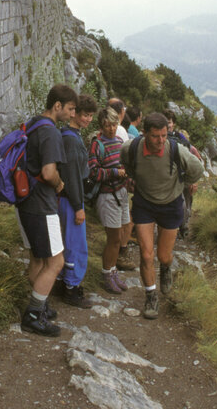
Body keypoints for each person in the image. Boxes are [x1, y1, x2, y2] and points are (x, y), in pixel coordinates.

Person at [122, 112, 205, 320]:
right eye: (155, 136)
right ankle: (151, 296)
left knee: (163, 256)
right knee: (146, 253)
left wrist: (184, 183)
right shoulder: (131, 148)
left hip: (171, 205)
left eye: (164, 136)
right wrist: (131, 178)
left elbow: (198, 168)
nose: (160, 141)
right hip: (144, 204)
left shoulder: (177, 150)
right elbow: (126, 163)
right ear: (144, 134)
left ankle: (166, 269)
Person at [16, 84, 77, 336]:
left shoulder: (33, 123)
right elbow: (48, 172)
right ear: (57, 106)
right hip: (42, 205)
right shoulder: (51, 132)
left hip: (25, 203)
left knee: (37, 259)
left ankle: (40, 303)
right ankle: (33, 314)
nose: (73, 115)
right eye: (71, 109)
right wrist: (59, 183)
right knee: (56, 262)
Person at [57, 93, 98, 308]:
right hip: (71, 200)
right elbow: (72, 177)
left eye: (91, 116)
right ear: (74, 113)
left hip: (65, 199)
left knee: (66, 242)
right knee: (75, 244)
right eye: (85, 114)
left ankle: (62, 282)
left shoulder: (69, 134)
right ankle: (71, 288)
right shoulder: (71, 140)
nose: (88, 119)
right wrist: (78, 207)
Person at [88, 106, 130, 294]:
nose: (111, 129)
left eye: (113, 124)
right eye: (107, 126)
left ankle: (113, 272)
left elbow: (124, 164)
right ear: (101, 126)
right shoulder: (97, 144)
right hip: (108, 195)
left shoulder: (120, 141)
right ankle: (107, 275)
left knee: (119, 236)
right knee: (113, 238)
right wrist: (115, 172)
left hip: (121, 192)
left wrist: (127, 175)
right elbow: (93, 172)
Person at [107, 97, 136, 270]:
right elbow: (126, 157)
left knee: (120, 220)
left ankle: (117, 253)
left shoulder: (103, 131)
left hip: (112, 183)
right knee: (123, 219)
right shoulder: (120, 131)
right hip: (118, 181)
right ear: (121, 113)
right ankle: (120, 254)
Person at [164, 109, 203, 237]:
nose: (167, 124)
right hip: (167, 177)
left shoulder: (181, 138)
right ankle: (173, 227)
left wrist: (194, 181)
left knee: (185, 201)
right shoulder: (158, 137)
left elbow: (195, 157)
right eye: (165, 121)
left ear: (173, 123)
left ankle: (183, 226)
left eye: (169, 122)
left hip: (181, 176)